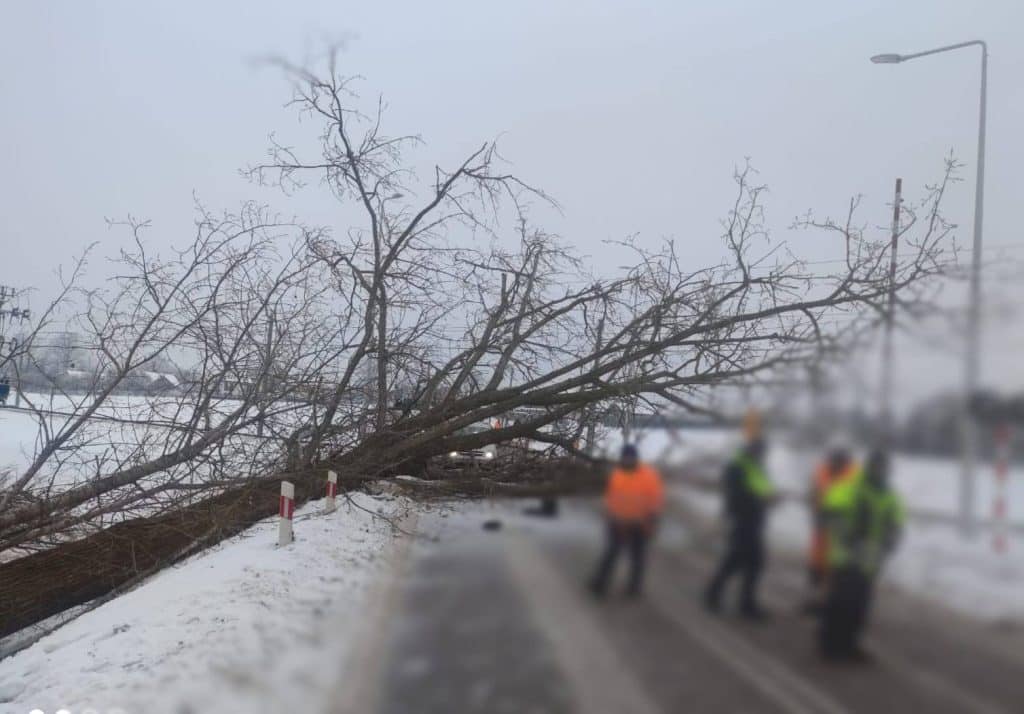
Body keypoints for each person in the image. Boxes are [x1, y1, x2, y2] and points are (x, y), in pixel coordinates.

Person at [818, 449, 904, 661]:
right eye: (877, 467)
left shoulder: (891, 496)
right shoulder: (852, 488)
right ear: (869, 467)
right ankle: (829, 645)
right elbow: (829, 512)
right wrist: (845, 535)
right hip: (847, 556)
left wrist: (892, 539)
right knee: (841, 603)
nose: (881, 471)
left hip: (871, 559)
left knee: (860, 605)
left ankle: (849, 645)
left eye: (884, 468)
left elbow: (896, 522)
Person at [704, 437, 774, 619]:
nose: (762, 455)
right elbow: (736, 495)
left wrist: (769, 498)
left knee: (742, 562)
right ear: (751, 450)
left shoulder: (756, 467)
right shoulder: (738, 467)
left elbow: (763, 488)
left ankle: (717, 595)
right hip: (743, 521)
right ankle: (742, 603)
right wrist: (758, 501)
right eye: (759, 451)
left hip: (754, 521)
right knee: (746, 561)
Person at [589, 443, 665, 597]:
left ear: (635, 458)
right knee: (611, 554)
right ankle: (599, 584)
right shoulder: (617, 475)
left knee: (637, 557)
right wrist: (611, 517)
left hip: (640, 524)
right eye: (625, 458)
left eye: (630, 458)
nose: (627, 461)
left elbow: (655, 499)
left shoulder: (648, 476)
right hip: (618, 522)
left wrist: (651, 521)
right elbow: (611, 497)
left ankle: (634, 588)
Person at [805, 447, 860, 613]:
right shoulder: (821, 472)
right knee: (817, 565)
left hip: (841, 527)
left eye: (839, 460)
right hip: (821, 525)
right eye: (833, 460)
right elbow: (813, 493)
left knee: (837, 566)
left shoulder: (855, 477)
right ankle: (817, 600)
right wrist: (813, 504)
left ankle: (831, 602)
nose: (835, 463)